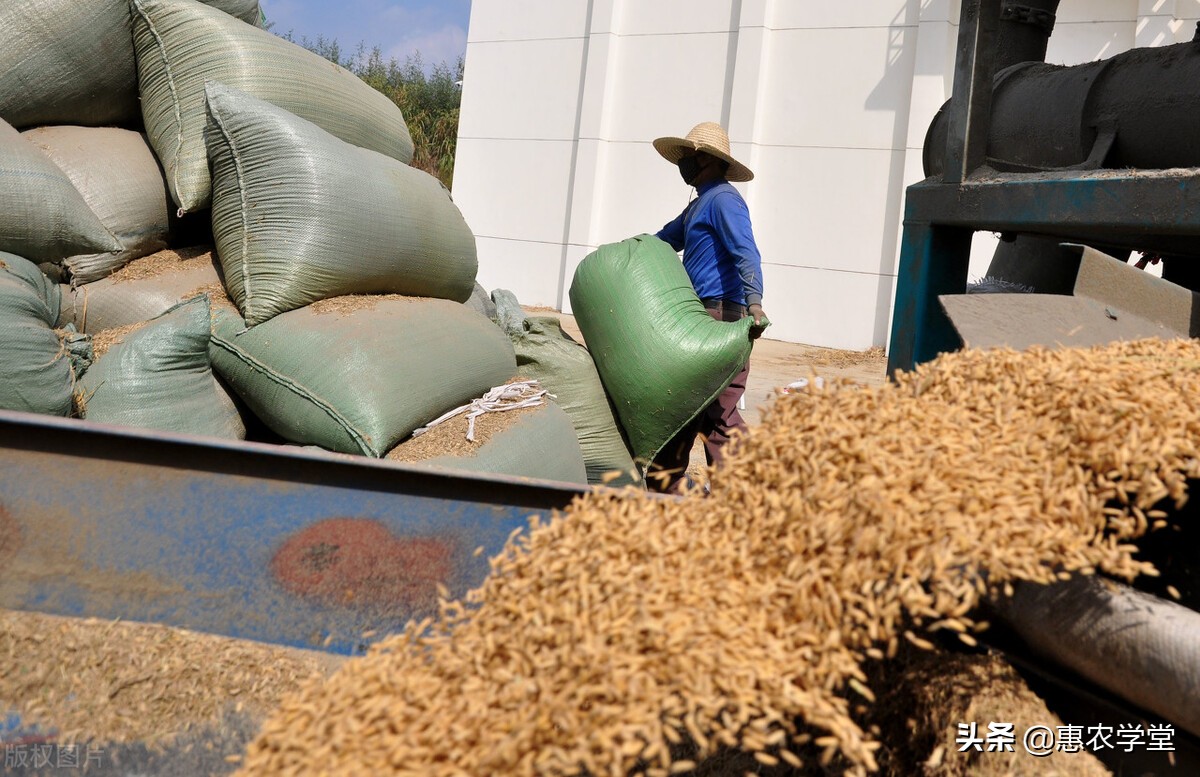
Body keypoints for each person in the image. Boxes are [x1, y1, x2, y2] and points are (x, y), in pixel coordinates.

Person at [647, 121, 767, 493]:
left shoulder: (725, 200)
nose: (686, 164)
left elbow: (745, 252)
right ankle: (665, 486)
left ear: (709, 160)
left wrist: (755, 303)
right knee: (685, 405)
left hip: (721, 316)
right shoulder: (699, 206)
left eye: (692, 157)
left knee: (719, 412)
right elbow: (664, 240)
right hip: (699, 317)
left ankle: (747, 493)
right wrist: (629, 252)